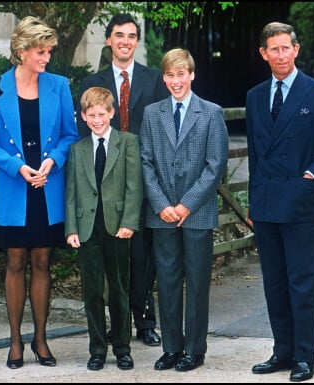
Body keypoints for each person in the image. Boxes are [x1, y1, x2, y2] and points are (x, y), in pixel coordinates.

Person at [245, 22, 314, 382]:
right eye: (273, 49)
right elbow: (257, 153)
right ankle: (282, 352)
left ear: (296, 49)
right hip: (267, 203)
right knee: (274, 283)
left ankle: (305, 358)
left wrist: (312, 175)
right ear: (264, 54)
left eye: (286, 47)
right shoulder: (256, 95)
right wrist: (252, 200)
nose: (280, 55)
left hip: (302, 205)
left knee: (302, 284)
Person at [0, 16, 80, 369]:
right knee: (15, 260)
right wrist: (17, 167)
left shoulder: (60, 85)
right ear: (21, 52)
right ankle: (15, 340)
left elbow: (69, 134)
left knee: (42, 261)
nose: (47, 57)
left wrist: (53, 161)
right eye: (40, 51)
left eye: (49, 51)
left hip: (47, 187)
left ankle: (41, 338)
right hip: (14, 187)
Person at [76, 12, 169, 347]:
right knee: (112, 254)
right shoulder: (92, 83)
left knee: (143, 254)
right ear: (108, 40)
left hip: (145, 177)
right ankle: (116, 327)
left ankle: (144, 322)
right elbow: (83, 137)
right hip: (105, 182)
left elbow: (163, 129)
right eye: (119, 35)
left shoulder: (154, 79)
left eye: (131, 35)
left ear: (137, 41)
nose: (125, 41)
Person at [140, 48, 229, 372]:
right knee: (167, 281)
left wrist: (186, 205)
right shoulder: (152, 114)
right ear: (163, 78)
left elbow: (215, 165)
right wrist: (163, 205)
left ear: (192, 75)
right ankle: (171, 347)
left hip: (197, 212)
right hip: (162, 213)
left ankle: (195, 349)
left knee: (197, 281)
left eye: (181, 74)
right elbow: (145, 163)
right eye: (169, 75)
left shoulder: (211, 112)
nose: (175, 81)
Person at [65, 86, 142, 371]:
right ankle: (97, 348)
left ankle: (122, 347)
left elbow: (134, 186)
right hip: (87, 228)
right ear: (83, 116)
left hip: (117, 227)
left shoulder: (128, 143)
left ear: (112, 113)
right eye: (91, 115)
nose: (97, 120)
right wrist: (71, 228)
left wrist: (129, 222)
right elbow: (71, 191)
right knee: (92, 291)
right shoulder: (78, 149)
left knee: (119, 289)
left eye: (102, 114)